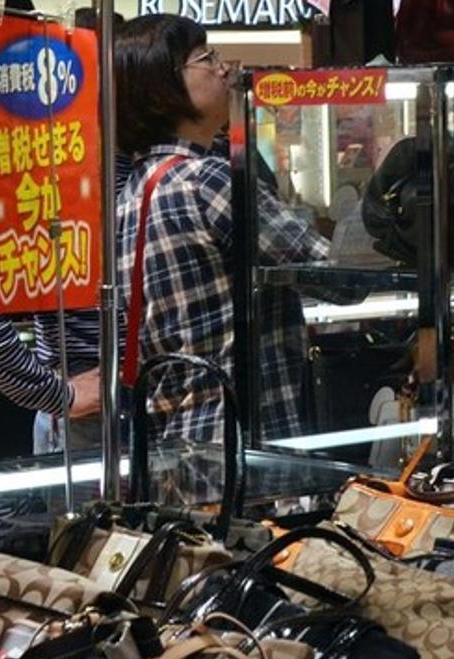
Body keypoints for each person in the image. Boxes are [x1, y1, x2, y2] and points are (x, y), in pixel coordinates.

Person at [115, 15, 336, 443]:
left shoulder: (138, 187)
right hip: (242, 441)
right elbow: (331, 272)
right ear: (163, 86)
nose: (223, 68)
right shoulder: (207, 180)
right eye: (206, 58)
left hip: (181, 439)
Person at [0, 7, 126, 456]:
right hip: (91, 418)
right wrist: (59, 395)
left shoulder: (103, 168)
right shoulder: (72, 179)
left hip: (112, 407)